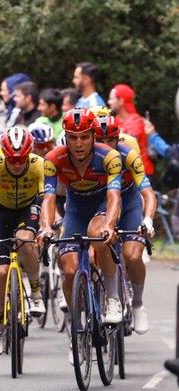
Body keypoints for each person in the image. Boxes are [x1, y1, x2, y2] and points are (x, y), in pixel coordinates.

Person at [39, 108, 123, 363]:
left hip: (100, 207)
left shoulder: (109, 156)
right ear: (65, 136)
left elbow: (114, 196)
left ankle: (112, 297)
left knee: (97, 234)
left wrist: (109, 224)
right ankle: (77, 327)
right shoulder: (54, 158)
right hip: (75, 209)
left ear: (93, 136)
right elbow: (49, 198)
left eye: (84, 137)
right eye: (73, 137)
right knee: (69, 269)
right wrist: (45, 227)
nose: (78, 143)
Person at [94, 114, 156, 334]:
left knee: (132, 255)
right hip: (101, 201)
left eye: (109, 140)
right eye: (98, 140)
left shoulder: (129, 154)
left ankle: (137, 303)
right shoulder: (87, 157)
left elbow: (147, 194)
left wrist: (147, 219)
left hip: (128, 202)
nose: (104, 145)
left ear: (117, 139)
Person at [0, 128, 46, 355]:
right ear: (4, 155)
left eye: (22, 159)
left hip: (27, 210)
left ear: (29, 154)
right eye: (13, 160)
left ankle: (36, 292)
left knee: (25, 240)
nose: (18, 164)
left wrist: (45, 227)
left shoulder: (39, 164)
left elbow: (45, 198)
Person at [107, 84, 154, 175]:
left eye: (112, 99)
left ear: (121, 101)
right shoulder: (116, 119)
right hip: (127, 172)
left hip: (141, 173)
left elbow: (129, 149)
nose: (109, 102)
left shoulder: (135, 121)